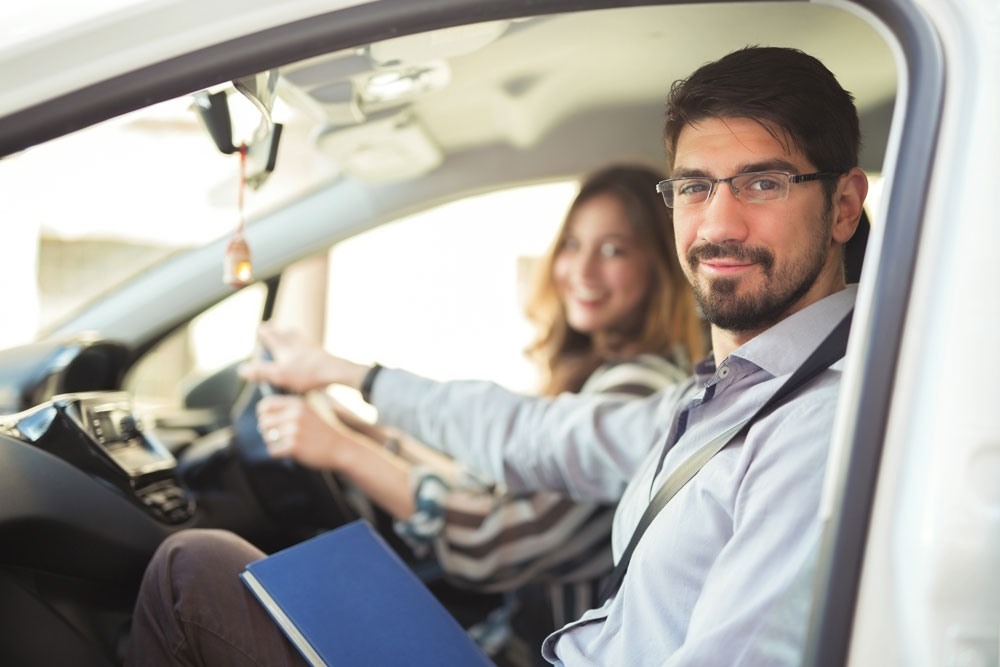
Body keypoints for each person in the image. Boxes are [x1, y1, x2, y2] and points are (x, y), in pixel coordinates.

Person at [126, 45, 867, 666]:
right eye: (696, 187)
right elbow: (530, 435)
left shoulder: (820, 423)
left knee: (192, 573)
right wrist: (355, 379)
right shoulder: (727, 392)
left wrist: (348, 443)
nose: (719, 222)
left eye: (763, 183)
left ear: (842, 206)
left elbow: (501, 541)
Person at [250, 163, 706, 665]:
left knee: (206, 566)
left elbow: (491, 543)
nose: (581, 270)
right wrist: (367, 433)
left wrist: (342, 450)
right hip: (503, 641)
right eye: (573, 244)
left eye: (614, 249)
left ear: (660, 266)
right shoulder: (607, 373)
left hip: (527, 656)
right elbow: (486, 481)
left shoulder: (637, 390)